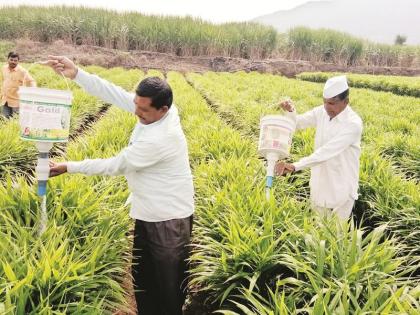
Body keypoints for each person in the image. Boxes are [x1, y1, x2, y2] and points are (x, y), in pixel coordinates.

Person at [43, 55, 194, 315]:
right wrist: (77, 73)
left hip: (169, 222)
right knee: (144, 281)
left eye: (144, 110)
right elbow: (113, 93)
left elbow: (115, 165)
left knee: (168, 290)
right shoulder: (153, 111)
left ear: (163, 109)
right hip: (147, 213)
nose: (137, 113)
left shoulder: (160, 139)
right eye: (136, 105)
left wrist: (70, 166)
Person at [276, 75, 363, 220]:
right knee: (318, 231)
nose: (327, 107)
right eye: (325, 102)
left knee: (336, 236)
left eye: (332, 103)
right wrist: (290, 111)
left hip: (341, 186)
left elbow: (326, 152)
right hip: (320, 182)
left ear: (345, 102)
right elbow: (298, 123)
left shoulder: (353, 123)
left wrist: (294, 166)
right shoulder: (322, 112)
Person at [1, 51, 36, 118]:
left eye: (15, 60)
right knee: (5, 118)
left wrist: (33, 92)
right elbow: (3, 81)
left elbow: (31, 81)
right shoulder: (4, 68)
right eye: (11, 60)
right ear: (8, 59)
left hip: (16, 101)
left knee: (16, 120)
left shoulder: (22, 71)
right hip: (5, 100)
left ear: (18, 61)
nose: (13, 62)